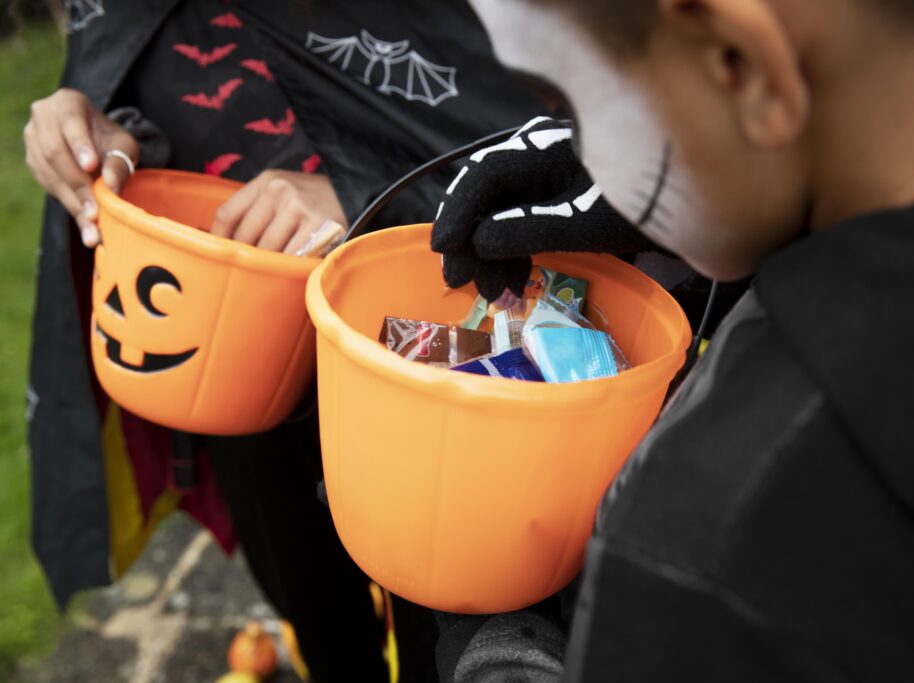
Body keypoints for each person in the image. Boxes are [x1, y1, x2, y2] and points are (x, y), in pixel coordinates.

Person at [429, 0, 914, 679]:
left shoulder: (698, 549)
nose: (584, 139)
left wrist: (500, 640)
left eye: (569, 98)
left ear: (736, 63)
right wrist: (723, 157)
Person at [25, 1, 549, 680]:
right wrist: (102, 130)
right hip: (225, 336)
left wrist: (363, 191)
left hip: (416, 337)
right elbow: (135, 72)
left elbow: (533, 120)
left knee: (445, 619)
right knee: (305, 590)